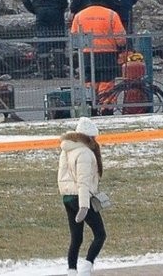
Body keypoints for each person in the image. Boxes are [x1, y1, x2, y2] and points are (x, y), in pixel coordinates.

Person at [58, 116, 107, 276]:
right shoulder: (85, 153)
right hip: (80, 197)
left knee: (76, 238)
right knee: (100, 234)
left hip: (67, 197)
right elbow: (83, 182)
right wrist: (84, 206)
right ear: (89, 137)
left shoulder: (67, 149)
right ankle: (86, 267)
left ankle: (71, 270)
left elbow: (63, 176)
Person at [69, 0, 126, 109]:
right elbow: (121, 39)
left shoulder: (80, 15)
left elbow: (74, 37)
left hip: (86, 55)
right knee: (107, 82)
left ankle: (90, 106)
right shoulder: (111, 14)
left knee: (89, 81)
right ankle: (106, 108)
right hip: (108, 55)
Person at [23, 0, 70, 79]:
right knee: (58, 40)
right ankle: (60, 71)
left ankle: (46, 73)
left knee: (43, 41)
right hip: (56, 12)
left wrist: (35, 10)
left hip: (40, 13)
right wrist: (62, 8)